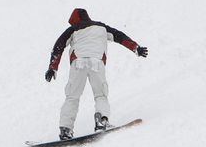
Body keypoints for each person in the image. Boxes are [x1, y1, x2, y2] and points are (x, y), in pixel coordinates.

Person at [45, 8, 148, 140]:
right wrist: (136, 48)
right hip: (96, 63)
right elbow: (120, 37)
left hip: (78, 63)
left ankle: (66, 129)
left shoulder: (73, 29)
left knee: (72, 97)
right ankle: (101, 120)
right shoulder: (102, 27)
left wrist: (52, 68)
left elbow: (58, 47)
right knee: (100, 95)